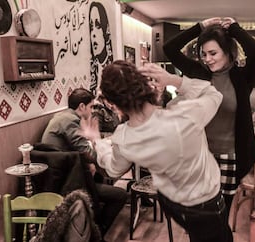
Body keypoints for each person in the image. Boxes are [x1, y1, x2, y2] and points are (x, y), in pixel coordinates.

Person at [80, 60, 233, 242]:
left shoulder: (124, 136)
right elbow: (213, 94)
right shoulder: (183, 114)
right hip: (205, 204)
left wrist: (96, 140)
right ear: (144, 85)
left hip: (171, 202)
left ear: (113, 103)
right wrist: (173, 80)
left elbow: (113, 169)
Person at [163, 17, 255, 211]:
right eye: (203, 54)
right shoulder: (198, 72)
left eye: (213, 53)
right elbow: (169, 48)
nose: (207, 59)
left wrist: (234, 29)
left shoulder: (242, 78)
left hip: (230, 157)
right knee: (196, 212)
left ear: (227, 53)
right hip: (199, 155)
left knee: (220, 213)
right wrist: (200, 27)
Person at [41, 88, 127, 237]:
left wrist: (94, 144)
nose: (92, 110)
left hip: (61, 174)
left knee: (99, 175)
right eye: (91, 106)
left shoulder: (64, 117)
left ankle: (91, 224)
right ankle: (97, 233)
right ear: (82, 106)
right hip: (65, 181)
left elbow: (82, 146)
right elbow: (85, 150)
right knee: (120, 195)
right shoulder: (70, 121)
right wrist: (99, 150)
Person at [89, 2, 114, 94]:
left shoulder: (112, 74)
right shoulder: (94, 73)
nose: (93, 34)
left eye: (98, 26)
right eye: (91, 27)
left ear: (105, 30)